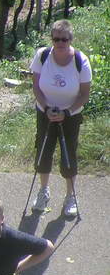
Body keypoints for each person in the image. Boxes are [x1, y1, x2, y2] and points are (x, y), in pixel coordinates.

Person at [29, 20, 92, 218]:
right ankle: (43, 191)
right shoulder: (42, 56)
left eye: (64, 39)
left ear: (70, 39)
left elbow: (84, 95)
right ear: (52, 39)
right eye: (56, 39)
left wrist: (66, 112)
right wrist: (47, 108)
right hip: (45, 112)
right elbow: (37, 87)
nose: (60, 43)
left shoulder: (80, 61)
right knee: (43, 150)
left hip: (70, 115)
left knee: (68, 154)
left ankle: (70, 196)